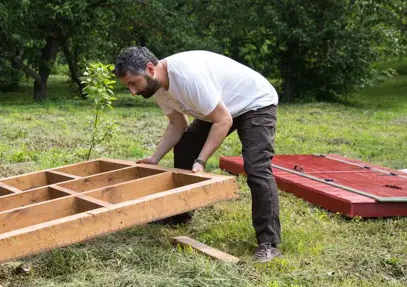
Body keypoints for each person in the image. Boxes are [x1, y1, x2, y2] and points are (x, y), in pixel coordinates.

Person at [114, 47, 282, 262]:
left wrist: (201, 161)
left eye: (133, 83)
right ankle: (180, 214)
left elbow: (223, 120)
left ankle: (269, 242)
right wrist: (155, 158)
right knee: (184, 148)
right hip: (216, 108)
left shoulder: (188, 77)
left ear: (149, 69)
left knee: (257, 168)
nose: (133, 91)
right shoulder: (157, 88)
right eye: (128, 86)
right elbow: (177, 124)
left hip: (254, 103)